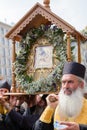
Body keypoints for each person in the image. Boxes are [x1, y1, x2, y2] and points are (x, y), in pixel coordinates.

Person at [33, 61, 87, 130]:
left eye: (70, 82)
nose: (66, 86)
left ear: (81, 85)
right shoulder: (55, 106)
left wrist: (80, 128)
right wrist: (50, 107)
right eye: (63, 82)